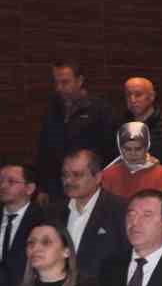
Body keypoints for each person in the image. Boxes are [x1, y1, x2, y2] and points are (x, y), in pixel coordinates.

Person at [34, 61, 118, 201]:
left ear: (79, 81)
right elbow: (44, 150)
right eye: (56, 83)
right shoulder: (52, 109)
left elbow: (110, 151)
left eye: (65, 82)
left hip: (87, 185)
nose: (59, 88)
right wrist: (42, 187)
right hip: (56, 187)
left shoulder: (100, 110)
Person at [55, 149, 128, 277]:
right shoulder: (54, 211)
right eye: (65, 175)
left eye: (77, 175)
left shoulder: (120, 210)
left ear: (98, 177)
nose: (68, 181)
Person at [0, 164, 43, 286]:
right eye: (0, 181)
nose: (3, 186)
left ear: (30, 188)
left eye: (11, 181)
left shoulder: (43, 220)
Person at [121, 76, 162, 167]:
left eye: (138, 95)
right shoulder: (121, 125)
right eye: (128, 95)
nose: (132, 100)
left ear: (152, 96)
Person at [100, 121, 162, 199]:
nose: (133, 153)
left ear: (146, 147)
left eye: (138, 149)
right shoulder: (108, 174)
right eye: (127, 149)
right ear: (120, 149)